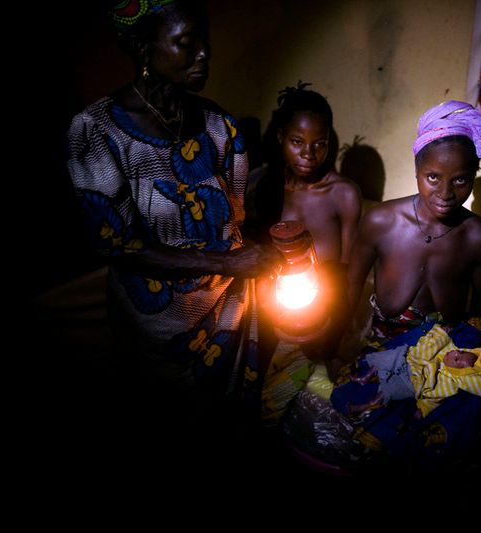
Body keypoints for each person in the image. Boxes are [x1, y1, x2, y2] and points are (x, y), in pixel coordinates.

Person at [66, 0, 281, 435]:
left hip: (229, 309)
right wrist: (226, 263)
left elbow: (234, 221)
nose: (204, 53)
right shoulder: (97, 132)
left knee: (226, 421)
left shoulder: (220, 126)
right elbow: (113, 244)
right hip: (157, 326)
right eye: (186, 42)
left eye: (205, 40)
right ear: (144, 48)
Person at [346, 100, 481, 343]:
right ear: (417, 171)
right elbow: (351, 285)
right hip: (384, 336)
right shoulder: (381, 221)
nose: (445, 193)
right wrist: (338, 338)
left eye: (460, 180)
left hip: (447, 343)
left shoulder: (479, 237)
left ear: (473, 178)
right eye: (433, 177)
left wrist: (473, 348)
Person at [249, 82, 362, 362]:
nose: (309, 154)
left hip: (324, 309)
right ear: (281, 137)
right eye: (297, 142)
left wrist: (336, 331)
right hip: (277, 308)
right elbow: (261, 257)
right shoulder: (268, 188)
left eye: (319, 144)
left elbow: (350, 275)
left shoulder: (343, 194)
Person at [341, 324, 481, 419]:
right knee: (389, 357)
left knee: (389, 391)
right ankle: (366, 376)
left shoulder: (450, 383)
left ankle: (363, 406)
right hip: (409, 361)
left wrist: (423, 410)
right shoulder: (447, 347)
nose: (455, 353)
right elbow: (424, 347)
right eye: (460, 351)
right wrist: (441, 334)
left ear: (460, 373)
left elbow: (434, 398)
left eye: (456, 359)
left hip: (411, 384)